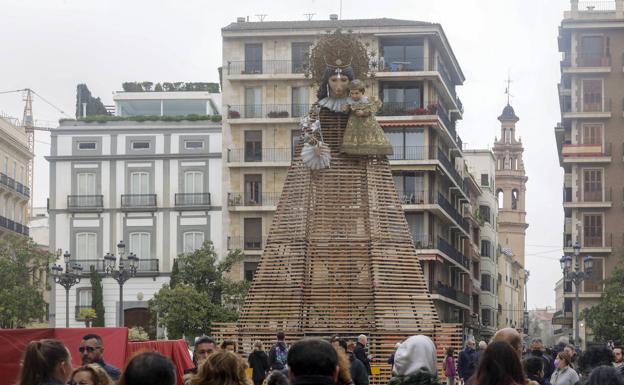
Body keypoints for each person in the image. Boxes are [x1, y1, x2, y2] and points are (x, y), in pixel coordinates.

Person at [340, 79, 393, 156]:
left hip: (367, 124)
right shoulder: (348, 101)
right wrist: (345, 109)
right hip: (354, 124)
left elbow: (374, 107)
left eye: (357, 93)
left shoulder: (367, 100)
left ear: (362, 92)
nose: (354, 96)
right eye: (352, 93)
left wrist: (364, 112)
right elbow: (346, 111)